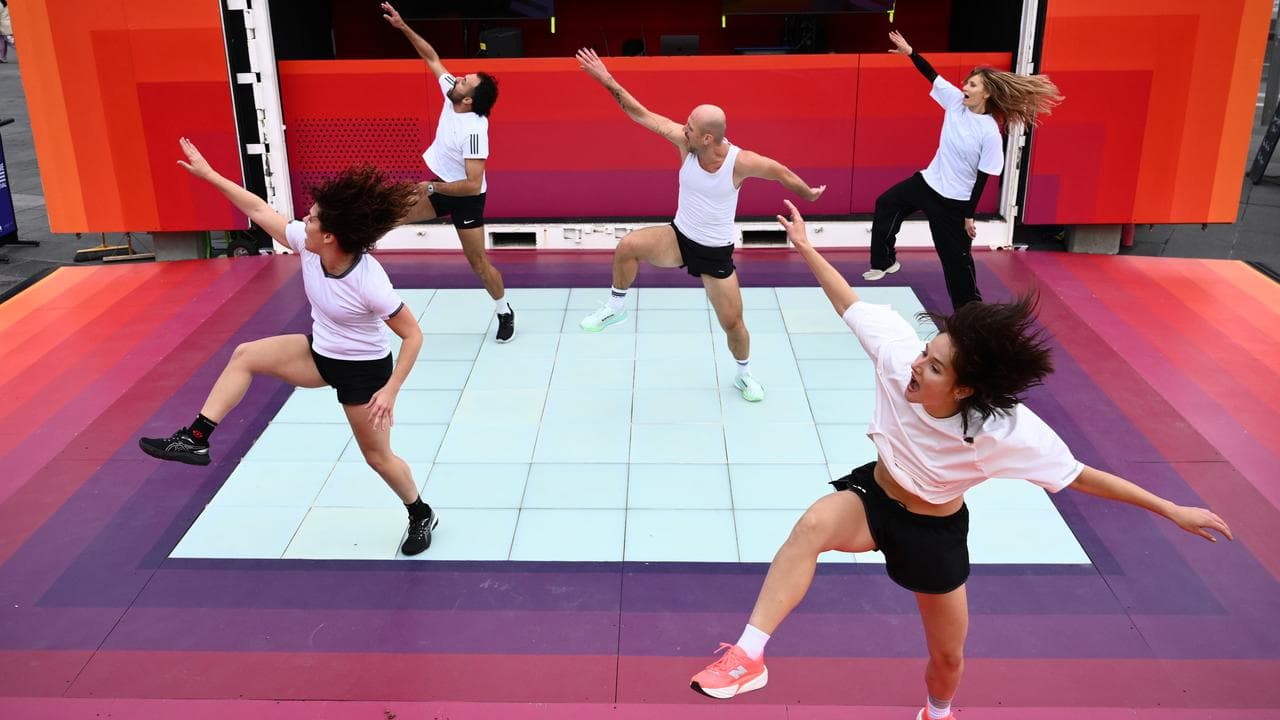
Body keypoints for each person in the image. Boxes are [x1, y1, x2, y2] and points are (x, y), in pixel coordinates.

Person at [688, 200, 1233, 719]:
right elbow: (847, 300)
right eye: (928, 353)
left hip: (934, 532)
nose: (918, 365)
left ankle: (939, 709)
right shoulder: (899, 353)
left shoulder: (1005, 431)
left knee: (947, 658)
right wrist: (806, 246)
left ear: (966, 389)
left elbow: (1081, 477)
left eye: (936, 367)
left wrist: (1171, 509)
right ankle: (749, 655)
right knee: (811, 525)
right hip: (875, 497)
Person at [139, 138, 440, 557]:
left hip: (363, 373)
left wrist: (390, 391)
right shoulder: (308, 244)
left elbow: (413, 335)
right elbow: (259, 210)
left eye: (313, 219)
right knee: (246, 355)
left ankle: (420, 513)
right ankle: (195, 439)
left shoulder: (369, 282)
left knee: (378, 458)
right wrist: (210, 177)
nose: (303, 220)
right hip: (320, 354)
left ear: (331, 235)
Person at [574, 48, 827, 403]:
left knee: (733, 325)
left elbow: (781, 173)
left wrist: (808, 195)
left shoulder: (742, 162)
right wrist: (606, 79)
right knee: (628, 247)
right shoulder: (685, 143)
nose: (683, 129)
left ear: (708, 138)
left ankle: (744, 375)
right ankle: (615, 308)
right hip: (678, 238)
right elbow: (640, 113)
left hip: (715, 252)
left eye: (690, 127)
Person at [864, 30, 1063, 311]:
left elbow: (984, 176)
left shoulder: (990, 133)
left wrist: (969, 214)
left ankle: (970, 313)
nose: (964, 87)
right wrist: (911, 53)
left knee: (956, 263)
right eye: (966, 83)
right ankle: (885, 261)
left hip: (953, 203)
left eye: (971, 84)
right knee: (886, 203)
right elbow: (931, 75)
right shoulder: (955, 103)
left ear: (987, 92)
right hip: (927, 182)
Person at [381, 2, 513, 343]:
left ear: (468, 100)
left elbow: (471, 186)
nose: (458, 77)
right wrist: (403, 26)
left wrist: (431, 189)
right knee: (388, 216)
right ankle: (366, 293)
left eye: (466, 81)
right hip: (438, 186)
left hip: (465, 198)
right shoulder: (451, 92)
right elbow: (432, 57)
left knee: (479, 266)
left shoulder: (473, 132)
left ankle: (504, 310)